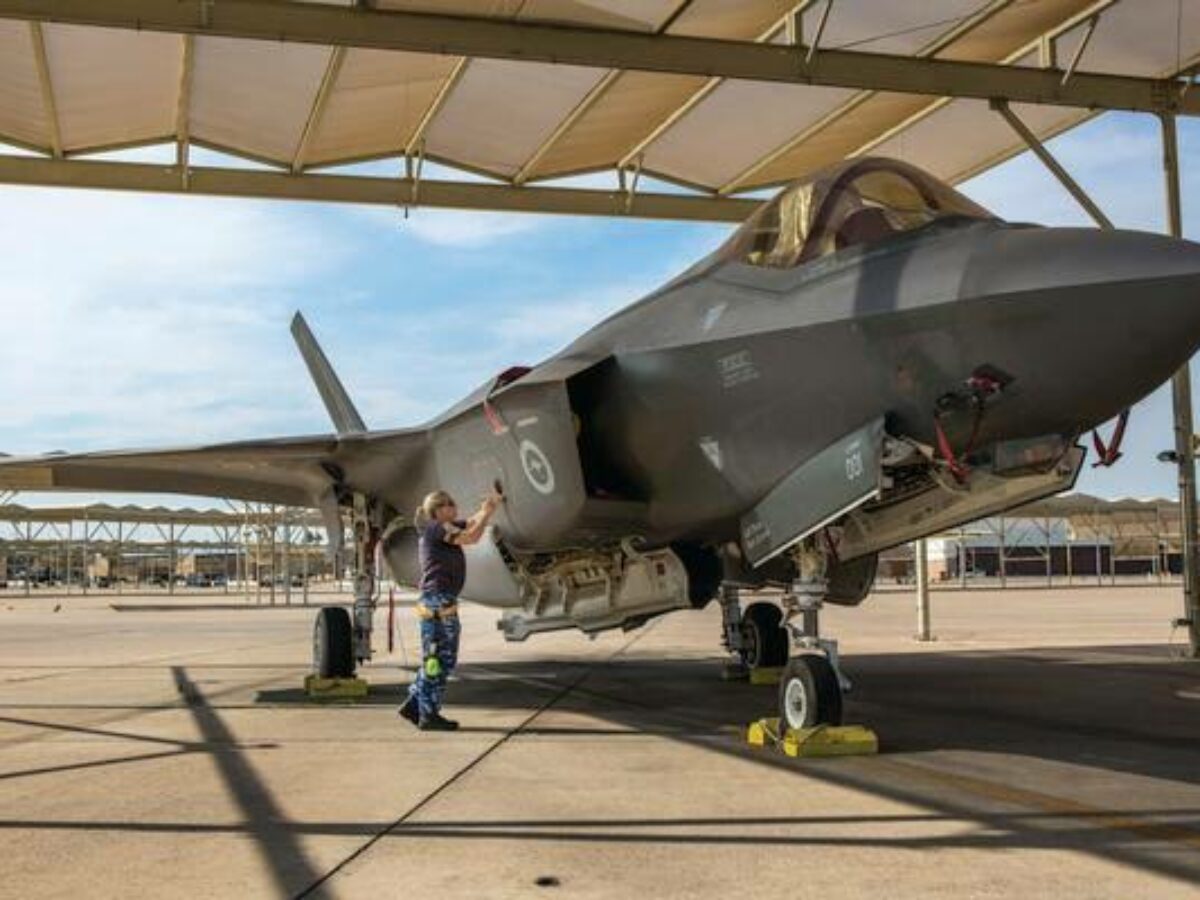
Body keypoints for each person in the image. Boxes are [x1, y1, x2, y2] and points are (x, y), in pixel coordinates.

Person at [398, 488, 502, 731]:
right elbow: (471, 537)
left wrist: (488, 507)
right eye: (447, 504)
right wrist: (487, 514)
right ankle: (428, 715)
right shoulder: (437, 528)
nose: (453, 506)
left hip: (441, 601)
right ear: (437, 510)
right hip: (438, 602)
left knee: (439, 658)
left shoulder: (445, 527)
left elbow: (470, 523)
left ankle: (415, 704)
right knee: (439, 660)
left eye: (452, 502)